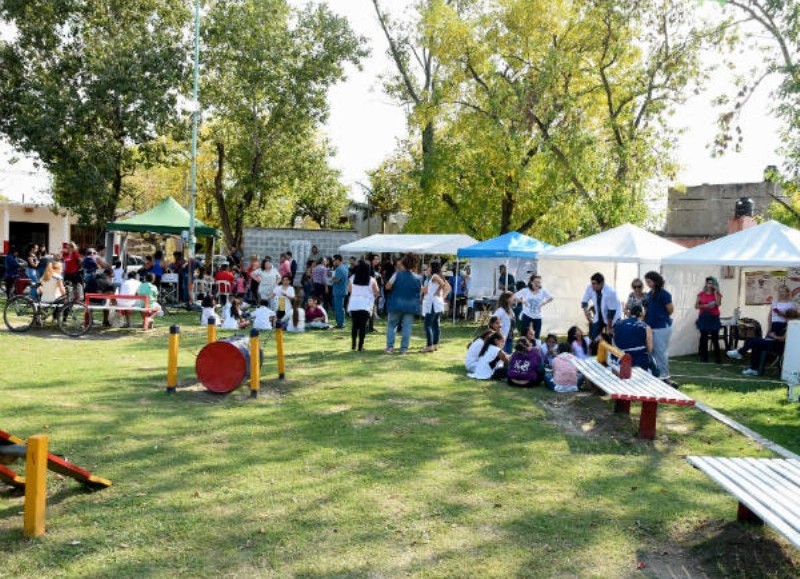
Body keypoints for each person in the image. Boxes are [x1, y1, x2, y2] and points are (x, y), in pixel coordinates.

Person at [728, 285, 796, 375]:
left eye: (783, 291)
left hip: (779, 339)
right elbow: (770, 315)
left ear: (787, 292)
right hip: (775, 332)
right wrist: (769, 329)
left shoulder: (791, 320)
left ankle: (741, 354)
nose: (780, 293)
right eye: (779, 291)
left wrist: (775, 335)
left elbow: (784, 339)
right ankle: (753, 367)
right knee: (754, 341)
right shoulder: (775, 302)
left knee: (756, 341)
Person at [385, 254, 422, 354]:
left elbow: (387, 286)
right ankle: (404, 349)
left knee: (391, 325)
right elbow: (420, 291)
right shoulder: (418, 278)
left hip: (396, 304)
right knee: (407, 327)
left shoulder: (397, 274)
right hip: (410, 305)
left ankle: (390, 347)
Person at [643, 271, 674, 382]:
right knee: (653, 351)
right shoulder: (650, 294)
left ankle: (664, 375)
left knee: (660, 351)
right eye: (646, 282)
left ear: (655, 281)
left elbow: (670, 310)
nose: (647, 284)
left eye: (649, 281)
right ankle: (658, 373)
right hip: (651, 326)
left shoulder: (664, 294)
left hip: (661, 327)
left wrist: (660, 316)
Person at [348, 260, 380, 351]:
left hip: (354, 303)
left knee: (355, 325)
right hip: (365, 304)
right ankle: (360, 347)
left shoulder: (353, 277)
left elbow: (349, 290)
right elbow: (377, 292)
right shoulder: (372, 280)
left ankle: (353, 344)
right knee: (362, 326)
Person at [613, 304, 655, 373]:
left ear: (630, 313)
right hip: (638, 361)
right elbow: (650, 349)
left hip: (620, 360)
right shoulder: (646, 327)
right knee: (653, 366)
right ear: (641, 314)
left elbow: (614, 344)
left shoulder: (618, 324)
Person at [581, 272, 621, 341]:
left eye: (594, 284)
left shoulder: (611, 292)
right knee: (593, 337)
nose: (592, 286)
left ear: (602, 283)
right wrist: (587, 313)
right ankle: (594, 349)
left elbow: (611, 312)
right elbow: (584, 301)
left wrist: (609, 327)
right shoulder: (590, 287)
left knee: (613, 338)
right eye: (592, 283)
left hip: (613, 317)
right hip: (599, 316)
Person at [421, 261, 451, 353]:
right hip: (436, 304)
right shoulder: (435, 277)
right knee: (435, 325)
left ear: (432, 268)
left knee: (428, 325)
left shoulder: (435, 276)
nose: (427, 269)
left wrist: (438, 291)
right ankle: (434, 344)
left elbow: (443, 284)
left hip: (433, 304)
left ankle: (430, 345)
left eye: (429, 267)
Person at [514, 274, 553, 339]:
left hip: (537, 316)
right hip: (527, 314)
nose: (537, 284)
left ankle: (535, 348)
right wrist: (523, 301)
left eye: (539, 282)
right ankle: (522, 347)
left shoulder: (542, 291)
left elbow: (550, 298)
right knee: (524, 334)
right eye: (535, 282)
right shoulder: (526, 290)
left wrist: (542, 304)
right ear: (531, 282)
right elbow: (514, 296)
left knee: (537, 335)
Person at [695, 276, 723, 363]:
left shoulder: (717, 294)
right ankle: (704, 358)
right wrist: (705, 306)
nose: (709, 285)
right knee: (704, 338)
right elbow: (696, 306)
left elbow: (718, 304)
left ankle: (717, 358)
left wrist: (715, 292)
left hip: (714, 317)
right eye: (708, 283)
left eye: (711, 283)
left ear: (714, 284)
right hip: (703, 316)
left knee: (715, 338)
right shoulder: (701, 294)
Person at [330, 255, 349, 329]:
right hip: (342, 290)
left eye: (334, 260)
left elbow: (337, 280)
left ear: (338, 260)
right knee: (341, 308)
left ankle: (340, 324)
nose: (333, 262)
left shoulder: (339, 269)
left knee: (338, 308)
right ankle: (341, 323)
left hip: (338, 291)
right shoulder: (345, 267)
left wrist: (331, 279)